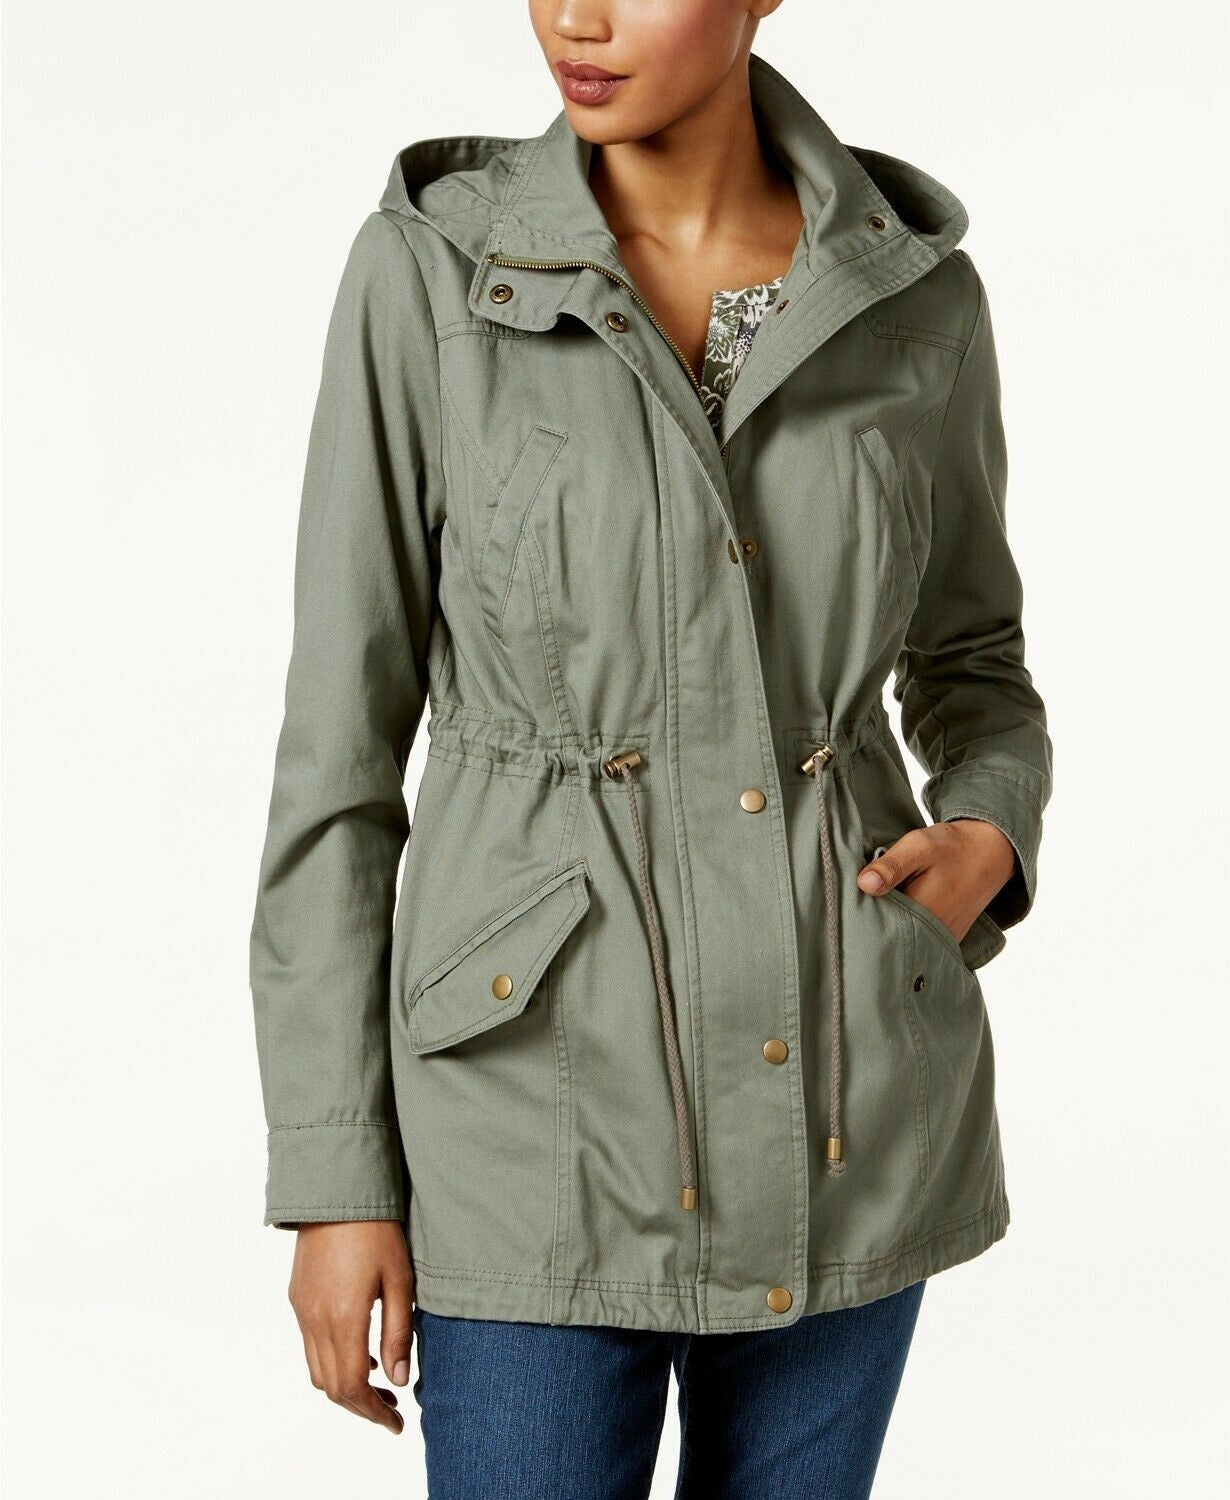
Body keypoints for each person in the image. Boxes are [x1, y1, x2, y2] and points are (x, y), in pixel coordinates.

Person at [249, 2, 1053, 1495]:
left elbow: (972, 662)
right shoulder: (432, 272)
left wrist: (990, 832)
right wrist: (334, 1170)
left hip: (845, 1095)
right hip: (528, 1109)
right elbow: (337, 752)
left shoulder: (909, 296)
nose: (576, 16)